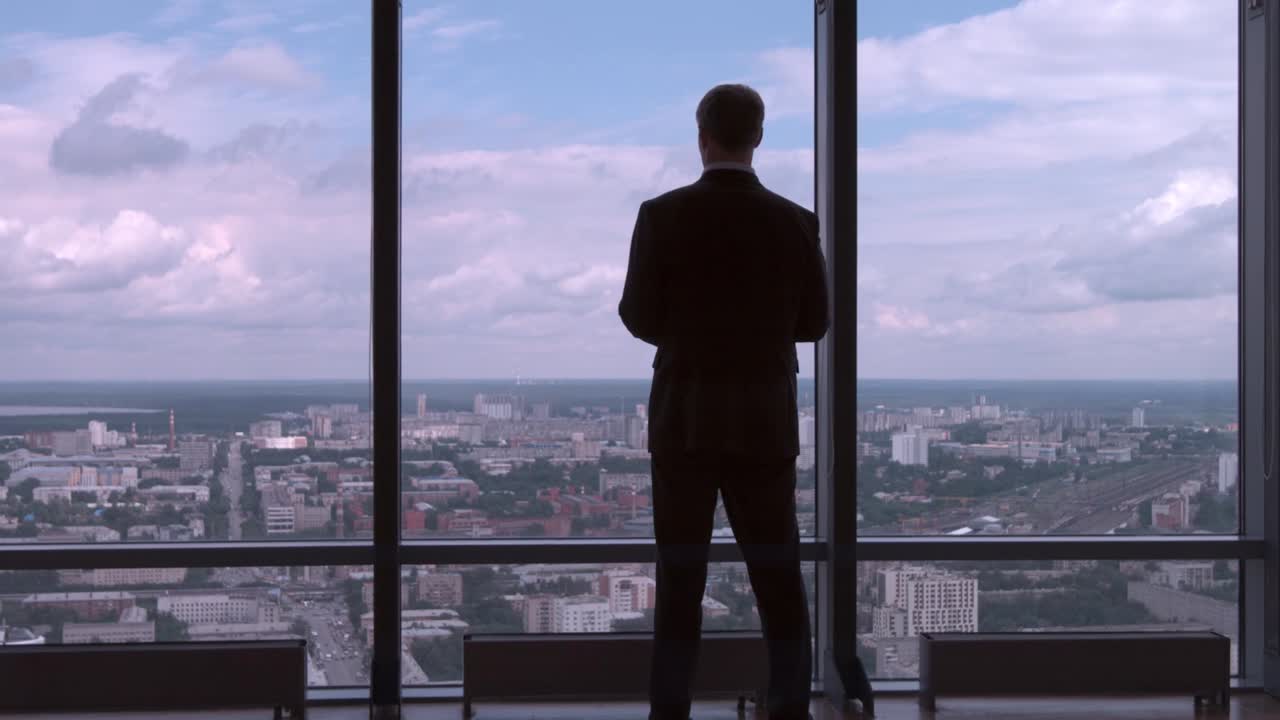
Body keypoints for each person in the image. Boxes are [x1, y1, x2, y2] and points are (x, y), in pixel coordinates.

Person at [619, 83, 830, 720]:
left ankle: (670, 708)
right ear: (758, 136)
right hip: (764, 422)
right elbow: (815, 323)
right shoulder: (795, 221)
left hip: (683, 419)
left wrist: (689, 335)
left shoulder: (662, 214)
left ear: (701, 137)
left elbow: (637, 314)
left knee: (681, 578)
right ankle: (790, 703)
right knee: (777, 574)